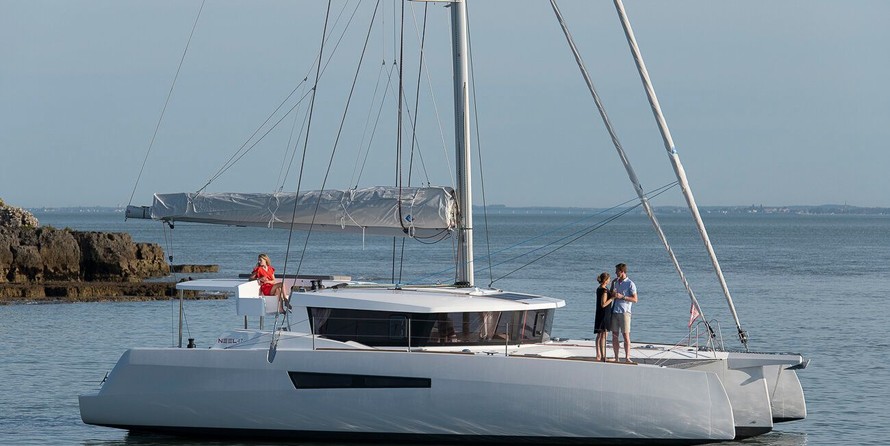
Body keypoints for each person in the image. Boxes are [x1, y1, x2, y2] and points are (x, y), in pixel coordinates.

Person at [610, 263, 638, 363]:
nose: (615, 273)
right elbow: (611, 294)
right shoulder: (616, 282)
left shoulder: (630, 283)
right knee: (614, 335)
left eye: (617, 271)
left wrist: (622, 297)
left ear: (622, 272)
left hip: (625, 312)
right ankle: (616, 357)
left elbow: (635, 299)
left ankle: (627, 357)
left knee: (626, 335)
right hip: (614, 311)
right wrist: (612, 286)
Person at [593, 272, 615, 362]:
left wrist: (613, 284)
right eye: (609, 279)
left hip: (599, 314)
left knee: (599, 335)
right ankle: (603, 356)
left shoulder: (600, 288)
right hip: (604, 314)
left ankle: (598, 354)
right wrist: (612, 298)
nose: (609, 280)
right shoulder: (604, 290)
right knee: (603, 335)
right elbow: (603, 304)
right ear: (605, 280)